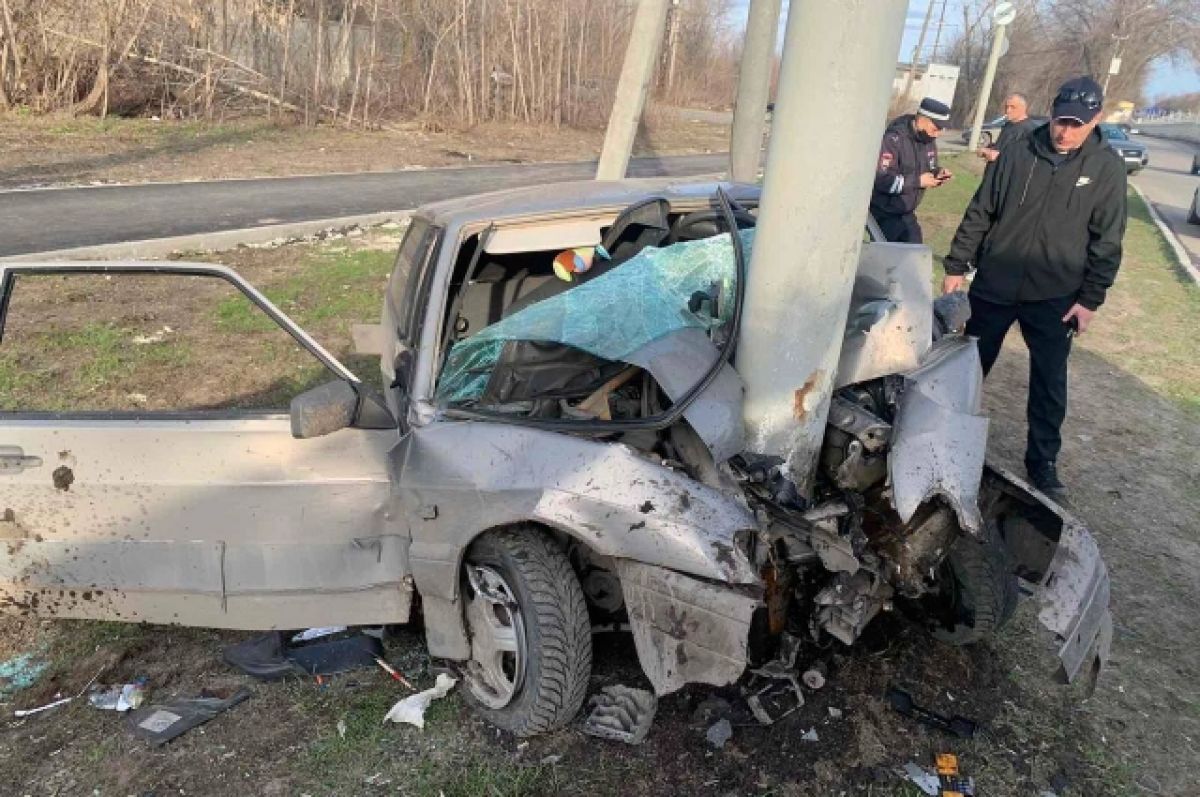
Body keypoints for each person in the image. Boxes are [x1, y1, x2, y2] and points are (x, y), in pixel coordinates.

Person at [941, 76, 1127, 499]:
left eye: (1078, 125)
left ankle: (1041, 462)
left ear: (1096, 118)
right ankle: (945, 437)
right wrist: (956, 264)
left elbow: (1108, 241)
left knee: (1048, 381)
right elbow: (981, 209)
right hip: (995, 284)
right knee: (966, 368)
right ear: (1051, 110)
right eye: (1062, 121)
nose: (1067, 132)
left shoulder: (1106, 168)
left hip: (1055, 296)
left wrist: (1090, 300)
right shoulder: (1018, 148)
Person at [870, 97, 954, 243]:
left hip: (907, 213)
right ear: (922, 120)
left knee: (915, 255)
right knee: (890, 261)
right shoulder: (893, 139)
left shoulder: (928, 140)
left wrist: (938, 173)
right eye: (936, 128)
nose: (938, 134)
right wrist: (918, 181)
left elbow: (930, 167)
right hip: (884, 213)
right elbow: (881, 180)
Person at [979, 92, 1039, 162]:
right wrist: (986, 151)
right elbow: (1001, 148)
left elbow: (1024, 158)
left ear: (1023, 108)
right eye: (1006, 107)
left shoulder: (1030, 130)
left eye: (1012, 107)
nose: (1008, 111)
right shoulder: (1007, 125)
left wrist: (998, 155)